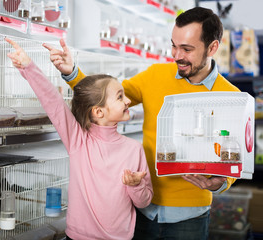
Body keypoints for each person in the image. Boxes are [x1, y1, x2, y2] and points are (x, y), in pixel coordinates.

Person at [42, 6, 240, 240]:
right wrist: (72, 72)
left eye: (186, 49)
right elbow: (105, 100)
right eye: (174, 46)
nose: (176, 55)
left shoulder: (230, 97)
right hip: (142, 211)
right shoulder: (154, 75)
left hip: (189, 216)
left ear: (213, 47)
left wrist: (220, 183)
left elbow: (233, 158)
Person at [5, 38, 153, 240]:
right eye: (120, 97)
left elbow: (144, 202)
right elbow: (53, 102)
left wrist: (136, 185)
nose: (128, 101)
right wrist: (28, 67)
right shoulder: (78, 141)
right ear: (98, 111)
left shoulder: (134, 149)